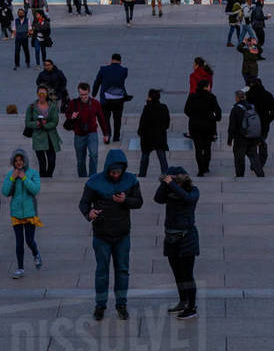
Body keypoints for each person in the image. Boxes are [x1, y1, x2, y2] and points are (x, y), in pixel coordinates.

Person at [79, 149, 143, 321]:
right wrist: (89, 213)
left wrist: (125, 201)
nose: (116, 175)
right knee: (102, 271)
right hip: (102, 235)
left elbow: (139, 202)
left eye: (118, 171)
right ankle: (100, 305)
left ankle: (121, 304)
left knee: (122, 270)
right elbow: (84, 203)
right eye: (113, 172)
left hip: (122, 234)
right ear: (107, 169)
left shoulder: (130, 180)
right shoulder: (94, 182)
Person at [154, 166, 199, 319]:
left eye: (174, 179)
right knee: (177, 273)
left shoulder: (193, 190)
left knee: (187, 274)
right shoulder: (169, 190)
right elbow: (158, 199)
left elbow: (187, 198)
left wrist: (172, 184)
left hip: (187, 237)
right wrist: (164, 183)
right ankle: (183, 301)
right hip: (171, 237)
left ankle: (192, 306)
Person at [1, 149, 42, 279]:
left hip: (30, 212)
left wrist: (24, 177)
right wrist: (12, 179)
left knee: (29, 240)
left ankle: (36, 253)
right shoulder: (10, 174)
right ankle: (20, 268)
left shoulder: (33, 173)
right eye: (16, 160)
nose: (18, 163)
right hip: (16, 213)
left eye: (21, 160)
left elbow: (35, 189)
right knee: (19, 242)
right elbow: (5, 191)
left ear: (25, 161)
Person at [66, 82, 110, 177]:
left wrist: (106, 133)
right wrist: (71, 116)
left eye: (85, 94)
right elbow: (67, 114)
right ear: (78, 93)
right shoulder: (73, 103)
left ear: (89, 92)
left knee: (94, 155)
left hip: (92, 133)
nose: (83, 97)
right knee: (80, 160)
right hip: (78, 134)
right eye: (81, 94)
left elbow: (102, 119)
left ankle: (92, 177)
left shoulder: (95, 103)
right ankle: (82, 178)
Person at [183, 78, 222, 177]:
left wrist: (193, 116)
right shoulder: (211, 97)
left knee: (198, 149)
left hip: (195, 126)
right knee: (207, 147)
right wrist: (215, 118)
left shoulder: (192, 96)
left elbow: (186, 110)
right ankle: (206, 167)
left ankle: (200, 170)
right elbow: (218, 111)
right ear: (206, 87)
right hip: (208, 126)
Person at [25, 86, 62, 178]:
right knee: (42, 163)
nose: (42, 95)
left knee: (52, 161)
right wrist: (36, 123)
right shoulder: (32, 107)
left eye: (44, 93)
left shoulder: (52, 106)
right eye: (40, 93)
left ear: (46, 94)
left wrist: (45, 125)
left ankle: (48, 176)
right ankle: (43, 179)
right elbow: (27, 122)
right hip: (38, 137)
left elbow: (55, 121)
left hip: (50, 137)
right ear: (37, 94)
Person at [227, 89, 264, 178]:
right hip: (252, 137)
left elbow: (232, 126)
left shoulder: (235, 109)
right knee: (254, 157)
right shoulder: (252, 107)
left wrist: (230, 139)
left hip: (240, 139)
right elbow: (257, 124)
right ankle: (260, 174)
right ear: (245, 97)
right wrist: (259, 138)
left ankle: (240, 176)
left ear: (237, 98)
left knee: (239, 158)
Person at [92, 53, 129, 142]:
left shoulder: (103, 69)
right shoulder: (124, 70)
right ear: (120, 61)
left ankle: (107, 135)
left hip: (105, 99)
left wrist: (94, 94)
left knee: (105, 119)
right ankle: (116, 137)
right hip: (118, 99)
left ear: (111, 60)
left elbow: (97, 82)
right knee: (117, 119)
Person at [137, 89, 170, 177]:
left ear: (150, 97)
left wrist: (140, 132)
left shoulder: (147, 108)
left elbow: (142, 123)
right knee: (162, 157)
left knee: (145, 156)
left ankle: (142, 173)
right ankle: (165, 173)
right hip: (159, 136)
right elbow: (167, 123)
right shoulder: (164, 107)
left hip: (147, 137)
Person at [245, 78, 274, 168]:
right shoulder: (268, 95)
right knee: (262, 140)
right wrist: (269, 119)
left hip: (251, 123)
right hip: (264, 122)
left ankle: (254, 161)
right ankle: (261, 160)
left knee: (252, 143)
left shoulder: (248, 95)